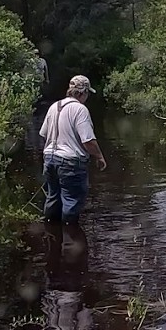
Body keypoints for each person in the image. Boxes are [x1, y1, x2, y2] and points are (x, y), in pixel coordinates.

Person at [37, 75, 106, 224]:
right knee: (71, 202)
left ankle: (51, 237)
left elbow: (43, 134)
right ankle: (70, 240)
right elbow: (88, 141)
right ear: (82, 93)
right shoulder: (80, 110)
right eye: (87, 93)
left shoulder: (54, 107)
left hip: (49, 159)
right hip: (70, 162)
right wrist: (99, 157)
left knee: (52, 199)